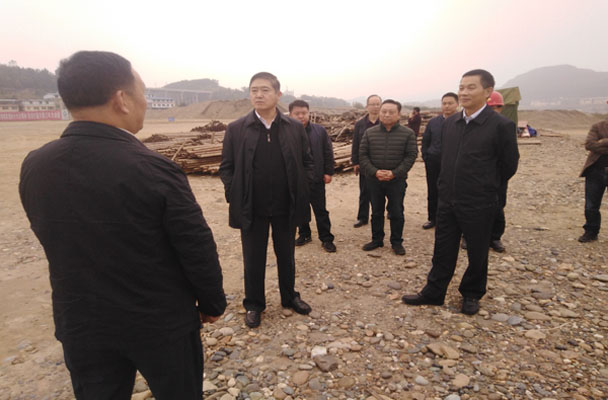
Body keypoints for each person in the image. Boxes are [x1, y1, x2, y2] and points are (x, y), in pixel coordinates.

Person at [19, 51, 226, 400]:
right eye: (142, 92)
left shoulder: (36, 165)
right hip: (160, 324)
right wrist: (212, 303)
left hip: (81, 322)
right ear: (121, 100)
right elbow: (195, 245)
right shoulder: (154, 169)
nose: (146, 101)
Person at [402, 69, 519, 315]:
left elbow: (509, 165)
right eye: (461, 87)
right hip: (447, 199)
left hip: (479, 202)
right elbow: (446, 158)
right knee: (443, 249)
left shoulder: (500, 125)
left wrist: (485, 187)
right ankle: (434, 292)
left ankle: (471, 293)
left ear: (488, 92)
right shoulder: (451, 123)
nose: (464, 92)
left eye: (471, 87)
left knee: (477, 252)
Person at [219, 72, 314, 328]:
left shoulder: (294, 127)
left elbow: (307, 162)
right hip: (252, 206)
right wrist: (234, 193)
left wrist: (302, 187)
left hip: (286, 204)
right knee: (253, 259)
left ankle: (289, 297)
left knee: (287, 256)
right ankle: (254, 304)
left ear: (278, 94)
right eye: (254, 90)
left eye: (264, 90)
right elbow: (226, 167)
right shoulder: (237, 128)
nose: (258, 95)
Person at [359, 99, 418, 255]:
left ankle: (396, 242)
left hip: (396, 181)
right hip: (374, 180)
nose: (386, 115)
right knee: (376, 211)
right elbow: (363, 155)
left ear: (399, 115)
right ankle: (377, 239)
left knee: (396, 211)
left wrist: (394, 173)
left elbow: (411, 156)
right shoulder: (369, 133)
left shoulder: (408, 133)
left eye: (391, 112)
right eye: (384, 111)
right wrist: (375, 172)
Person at [290, 100, 337, 252]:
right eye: (297, 113)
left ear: (309, 113)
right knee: (299, 209)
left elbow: (328, 152)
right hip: (296, 180)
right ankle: (304, 234)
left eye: (304, 113)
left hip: (316, 178)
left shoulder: (319, 131)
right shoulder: (287, 132)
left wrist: (328, 172)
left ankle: (326, 238)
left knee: (320, 210)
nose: (301, 116)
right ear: (291, 115)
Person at [421, 92, 459, 230]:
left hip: (454, 164)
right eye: (444, 103)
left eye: (450, 103)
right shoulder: (433, 122)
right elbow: (426, 141)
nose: (447, 106)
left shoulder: (461, 121)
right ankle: (433, 218)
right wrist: (426, 156)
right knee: (433, 190)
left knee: (453, 192)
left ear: (457, 104)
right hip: (434, 162)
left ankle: (452, 221)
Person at [351, 95, 382, 228]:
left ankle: (380, 215)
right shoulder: (360, 124)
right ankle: (362, 217)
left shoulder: (385, 122)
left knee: (382, 191)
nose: (375, 107)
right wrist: (355, 162)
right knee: (364, 191)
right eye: (372, 104)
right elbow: (356, 143)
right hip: (364, 162)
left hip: (382, 162)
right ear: (367, 106)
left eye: (378, 104)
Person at [578, 114, 608, 243]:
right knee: (591, 206)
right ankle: (591, 231)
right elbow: (589, 145)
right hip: (595, 171)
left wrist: (602, 141)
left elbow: (595, 146)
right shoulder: (598, 126)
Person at [486, 91, 508, 252]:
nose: (494, 111)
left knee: (497, 207)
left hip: (497, 177)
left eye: (497, 107)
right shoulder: (473, 126)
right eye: (491, 108)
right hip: (476, 177)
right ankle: (468, 236)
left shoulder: (504, 126)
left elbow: (510, 159)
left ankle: (495, 237)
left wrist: (499, 177)